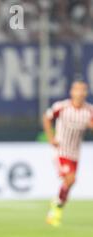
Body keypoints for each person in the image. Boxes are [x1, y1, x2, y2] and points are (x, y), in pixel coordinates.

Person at [42, 80, 93, 227]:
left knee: (70, 183)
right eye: (77, 89)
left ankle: (56, 205)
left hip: (75, 153)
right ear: (72, 92)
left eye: (83, 90)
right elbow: (47, 118)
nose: (80, 93)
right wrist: (51, 137)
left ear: (86, 93)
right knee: (70, 179)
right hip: (61, 150)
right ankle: (56, 209)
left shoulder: (89, 111)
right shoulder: (62, 107)